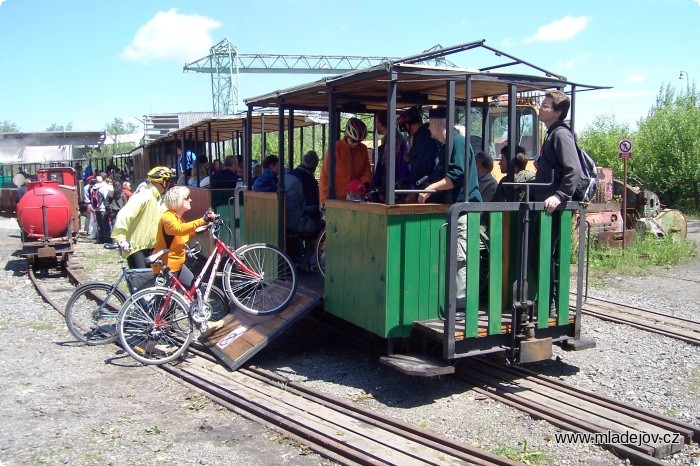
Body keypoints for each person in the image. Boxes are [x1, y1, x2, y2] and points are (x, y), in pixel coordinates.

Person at [418, 106, 481, 319]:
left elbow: (455, 176)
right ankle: (453, 305)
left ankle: (460, 309)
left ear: (437, 124)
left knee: (459, 258)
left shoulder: (458, 143)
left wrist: (431, 188)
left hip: (463, 211)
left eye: (430, 124)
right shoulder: (447, 146)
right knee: (453, 257)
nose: (428, 129)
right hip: (454, 211)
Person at [111, 166, 171, 269]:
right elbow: (124, 214)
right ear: (163, 182)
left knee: (151, 281)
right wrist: (120, 238)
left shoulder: (159, 198)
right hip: (136, 247)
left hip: (150, 246)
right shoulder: (144, 195)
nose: (170, 184)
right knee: (141, 281)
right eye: (169, 181)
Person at [151, 185, 216, 280]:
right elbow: (179, 230)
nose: (190, 200)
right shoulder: (168, 217)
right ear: (178, 200)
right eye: (187, 198)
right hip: (166, 266)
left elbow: (183, 236)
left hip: (178, 264)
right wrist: (203, 220)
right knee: (170, 295)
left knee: (196, 289)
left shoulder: (179, 218)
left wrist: (203, 229)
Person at [535, 90, 581, 212]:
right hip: (546, 203)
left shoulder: (561, 134)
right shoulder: (552, 134)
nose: (540, 108)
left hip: (554, 207)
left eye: (545, 106)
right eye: (541, 105)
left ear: (557, 112)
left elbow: (574, 169)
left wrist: (560, 195)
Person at [319, 118, 372, 205]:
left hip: (356, 199)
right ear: (346, 135)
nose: (356, 144)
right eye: (353, 141)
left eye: (359, 141)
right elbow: (325, 177)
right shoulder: (335, 149)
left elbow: (366, 171)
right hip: (336, 200)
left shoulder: (363, 149)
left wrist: (365, 184)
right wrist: (324, 201)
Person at [398, 106, 441, 189]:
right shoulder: (422, 135)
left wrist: (408, 179)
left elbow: (423, 163)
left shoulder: (423, 136)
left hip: (427, 183)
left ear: (407, 125)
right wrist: (410, 159)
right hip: (428, 181)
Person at [371, 111, 410, 202]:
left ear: (380, 124)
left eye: (376, 122)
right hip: (398, 187)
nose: (376, 125)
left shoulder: (393, 140)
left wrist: (381, 190)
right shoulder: (396, 138)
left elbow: (387, 168)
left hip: (393, 191)